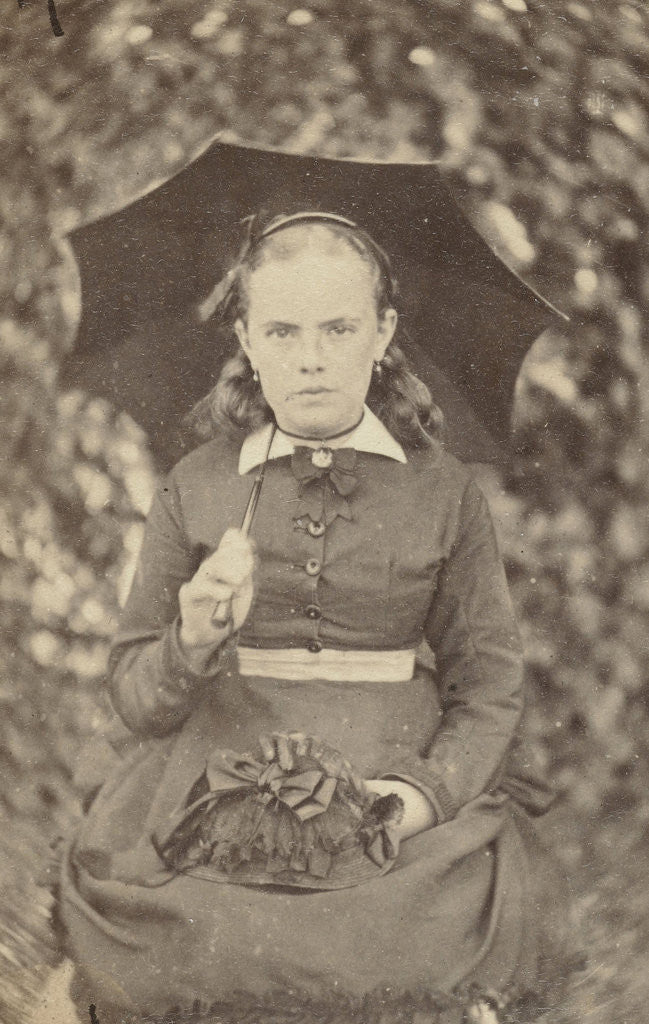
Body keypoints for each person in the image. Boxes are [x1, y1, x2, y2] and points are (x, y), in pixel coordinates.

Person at [57, 211, 570, 1024]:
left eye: (339, 328)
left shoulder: (443, 493)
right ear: (246, 340)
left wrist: (416, 799)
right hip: (215, 763)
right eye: (282, 330)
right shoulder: (197, 485)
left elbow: (489, 688)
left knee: (412, 939)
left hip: (389, 761)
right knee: (188, 940)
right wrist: (192, 639)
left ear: (383, 333)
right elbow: (132, 696)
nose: (310, 359)